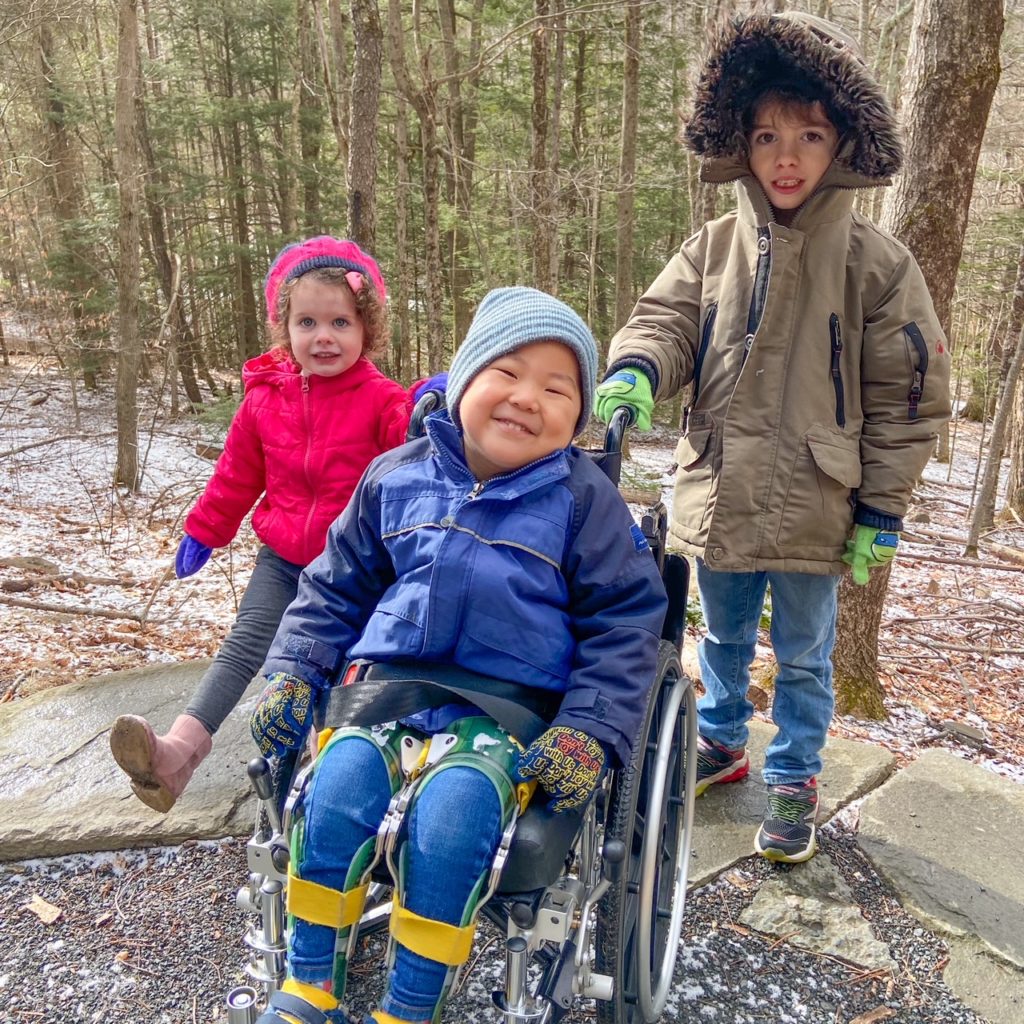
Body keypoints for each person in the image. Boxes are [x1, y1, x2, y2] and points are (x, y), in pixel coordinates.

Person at [248, 286, 668, 1024]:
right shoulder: (396, 477)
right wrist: (291, 672)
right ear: (465, 379)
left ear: (579, 417)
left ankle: (408, 1009)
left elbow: (626, 623)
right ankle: (309, 987)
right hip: (383, 695)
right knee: (338, 782)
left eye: (557, 387)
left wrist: (591, 730)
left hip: (509, 717)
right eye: (507, 373)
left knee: (454, 813)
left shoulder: (582, 503)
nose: (526, 398)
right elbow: (332, 591)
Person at [594, 11, 950, 864]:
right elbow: (664, 322)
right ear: (740, 146)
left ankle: (794, 776)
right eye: (765, 135)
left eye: (810, 135)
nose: (786, 156)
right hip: (718, 483)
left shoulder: (878, 264)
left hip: (817, 501)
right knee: (716, 633)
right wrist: (637, 369)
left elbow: (906, 393)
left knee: (803, 653)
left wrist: (882, 509)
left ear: (844, 145)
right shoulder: (713, 247)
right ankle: (720, 740)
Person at [110, 236, 429, 813]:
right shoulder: (265, 399)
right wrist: (207, 528)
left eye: (340, 321)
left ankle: (326, 777)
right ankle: (175, 756)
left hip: (357, 569)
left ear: (367, 330)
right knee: (243, 648)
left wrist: (430, 409)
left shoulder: (383, 401)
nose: (323, 336)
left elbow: (411, 466)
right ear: (285, 328)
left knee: (338, 668)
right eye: (307, 321)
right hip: (282, 559)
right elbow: (237, 473)